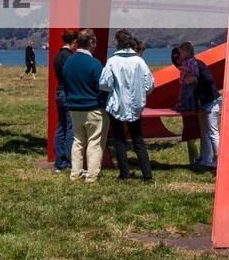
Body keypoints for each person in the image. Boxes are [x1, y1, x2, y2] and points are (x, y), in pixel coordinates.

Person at [99, 30, 155, 182]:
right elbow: (149, 84)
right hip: (135, 106)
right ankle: (147, 175)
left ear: (117, 43)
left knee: (119, 139)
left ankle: (124, 174)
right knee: (138, 139)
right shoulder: (139, 62)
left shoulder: (112, 62)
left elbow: (105, 84)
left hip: (117, 104)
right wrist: (141, 94)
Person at [62, 29, 106, 182]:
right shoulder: (94, 63)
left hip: (74, 107)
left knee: (78, 141)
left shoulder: (68, 61)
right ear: (91, 42)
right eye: (95, 42)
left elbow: (65, 85)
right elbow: (102, 87)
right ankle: (92, 176)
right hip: (93, 107)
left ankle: (75, 173)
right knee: (94, 142)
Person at [177, 42, 220, 171]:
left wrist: (195, 80)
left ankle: (218, 160)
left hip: (211, 101)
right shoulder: (190, 65)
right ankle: (205, 159)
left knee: (212, 132)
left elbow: (209, 80)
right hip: (202, 104)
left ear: (188, 52)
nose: (180, 55)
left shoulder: (198, 64)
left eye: (182, 52)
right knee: (204, 132)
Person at [51, 30, 77, 172]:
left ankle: (59, 161)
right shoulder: (69, 57)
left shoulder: (57, 56)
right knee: (70, 128)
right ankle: (69, 161)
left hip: (58, 91)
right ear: (74, 41)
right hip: (67, 92)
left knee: (61, 126)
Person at [170, 46, 200, 166]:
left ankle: (198, 158)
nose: (178, 60)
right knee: (189, 133)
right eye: (175, 59)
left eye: (179, 56)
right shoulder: (185, 69)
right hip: (188, 105)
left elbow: (198, 80)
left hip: (195, 105)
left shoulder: (193, 65)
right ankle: (193, 160)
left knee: (194, 133)